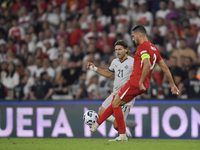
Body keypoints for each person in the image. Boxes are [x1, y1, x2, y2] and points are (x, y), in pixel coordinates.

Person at [89, 25, 180, 141]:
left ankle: (105, 128)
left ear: (139, 35)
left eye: (133, 36)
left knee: (115, 103)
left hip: (135, 82)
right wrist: (172, 84)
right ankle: (116, 133)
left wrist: (140, 81)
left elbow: (146, 64)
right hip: (141, 83)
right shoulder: (154, 48)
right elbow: (165, 68)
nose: (132, 39)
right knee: (115, 102)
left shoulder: (142, 47)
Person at [87, 40, 136, 139]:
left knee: (116, 126)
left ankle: (121, 129)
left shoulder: (133, 62)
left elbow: (137, 77)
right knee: (101, 113)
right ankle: (123, 131)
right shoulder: (115, 61)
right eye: (116, 50)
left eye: (120, 49)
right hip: (114, 93)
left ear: (126, 50)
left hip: (126, 96)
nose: (118, 52)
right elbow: (109, 73)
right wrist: (95, 69)